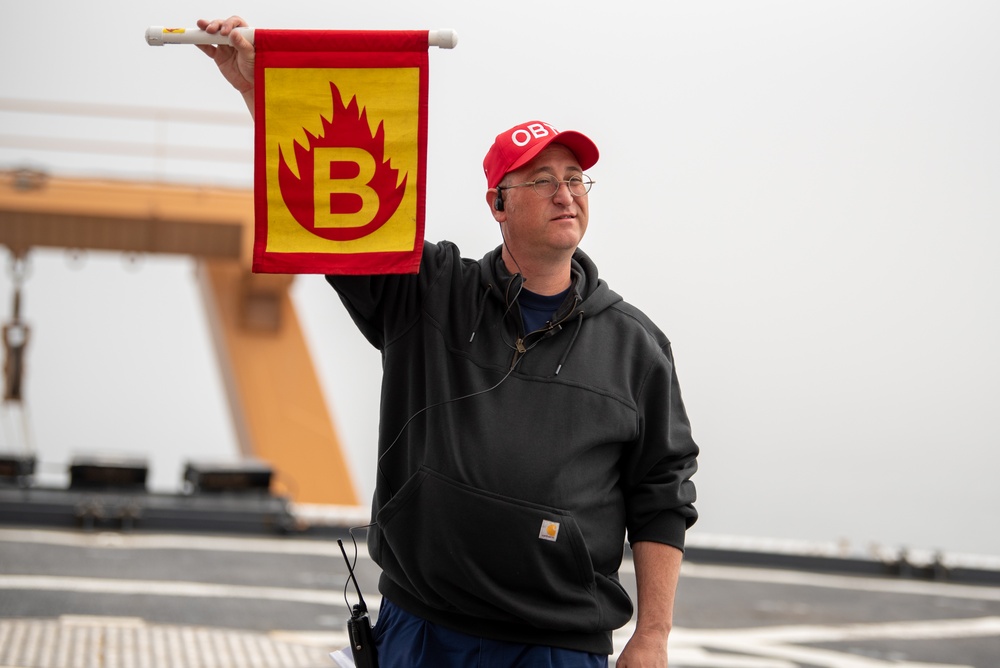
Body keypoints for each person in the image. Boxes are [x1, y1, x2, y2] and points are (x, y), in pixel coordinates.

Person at [197, 16, 699, 668]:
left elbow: (662, 494)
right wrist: (260, 93)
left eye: (574, 177)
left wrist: (653, 635)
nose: (564, 192)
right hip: (422, 630)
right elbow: (332, 209)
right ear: (498, 202)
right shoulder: (427, 290)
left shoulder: (636, 347)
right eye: (540, 179)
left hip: (556, 647)